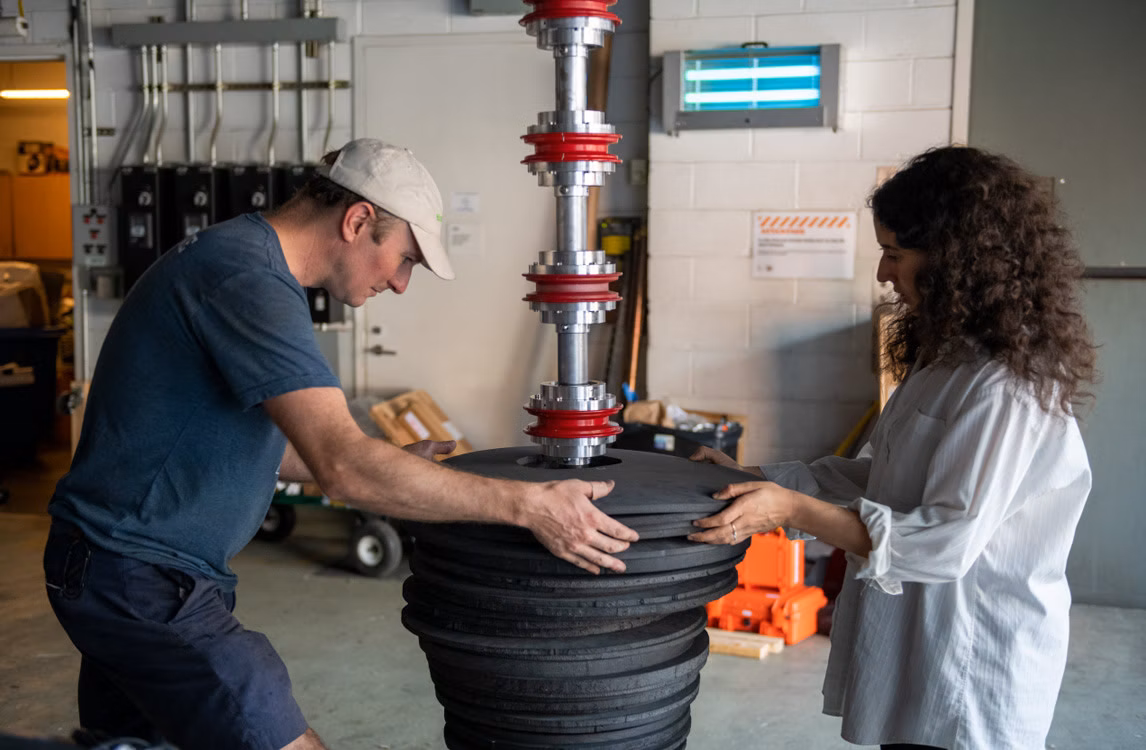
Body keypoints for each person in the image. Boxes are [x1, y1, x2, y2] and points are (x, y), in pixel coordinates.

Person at [43, 138, 638, 750]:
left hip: (132, 567)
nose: (403, 284)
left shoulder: (241, 261)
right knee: (265, 719)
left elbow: (250, 442)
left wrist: (397, 468)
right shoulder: (247, 277)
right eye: (405, 259)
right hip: (136, 576)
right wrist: (530, 506)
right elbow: (344, 468)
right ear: (357, 222)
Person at [688, 146, 1097, 750]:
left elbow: (943, 541)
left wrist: (791, 510)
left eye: (895, 254)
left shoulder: (1006, 383)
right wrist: (757, 482)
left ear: (957, 261)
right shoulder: (948, 358)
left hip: (973, 662)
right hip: (922, 646)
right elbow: (885, 481)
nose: (884, 274)